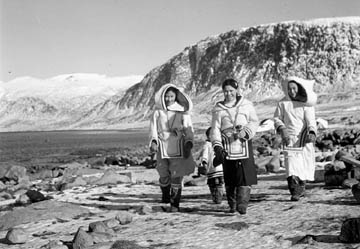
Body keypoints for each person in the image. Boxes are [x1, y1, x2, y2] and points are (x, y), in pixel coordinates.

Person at [211, 79, 259, 214]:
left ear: (236, 90)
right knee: (230, 174)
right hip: (227, 144)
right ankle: (232, 204)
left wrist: (246, 131)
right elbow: (215, 129)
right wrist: (217, 146)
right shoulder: (218, 109)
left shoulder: (246, 105)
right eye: (226, 91)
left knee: (244, 173)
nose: (228, 94)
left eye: (231, 90)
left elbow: (254, 122)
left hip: (243, 142)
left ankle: (242, 204)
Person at [149, 83, 196, 212]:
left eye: (171, 96)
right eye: (167, 96)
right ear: (163, 96)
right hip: (162, 145)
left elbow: (188, 128)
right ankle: (165, 195)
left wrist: (189, 141)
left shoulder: (183, 111)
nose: (169, 99)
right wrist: (153, 141)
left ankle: (175, 203)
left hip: (178, 146)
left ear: (176, 96)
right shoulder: (158, 112)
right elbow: (153, 128)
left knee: (177, 174)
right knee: (163, 172)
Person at [273, 76, 317, 201]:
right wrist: (282, 129)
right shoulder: (282, 103)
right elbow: (277, 118)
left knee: (303, 164)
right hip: (289, 138)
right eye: (289, 89)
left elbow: (311, 121)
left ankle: (301, 187)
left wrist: (312, 132)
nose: (292, 91)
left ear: (299, 89)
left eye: (294, 88)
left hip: (303, 138)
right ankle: (294, 191)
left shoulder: (306, 103)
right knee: (291, 165)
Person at [198, 127, 224, 204]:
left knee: (214, 184)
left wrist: (204, 162)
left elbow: (204, 155)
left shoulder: (209, 144)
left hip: (214, 169)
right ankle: (218, 198)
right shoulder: (214, 145)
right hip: (217, 169)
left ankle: (217, 198)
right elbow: (205, 155)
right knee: (218, 184)